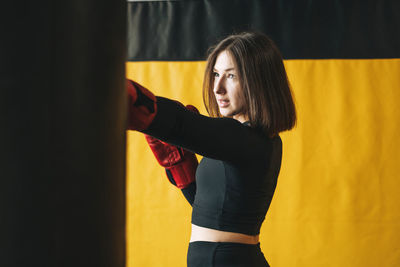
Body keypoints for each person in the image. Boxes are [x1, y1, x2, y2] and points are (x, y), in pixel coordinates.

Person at [126, 32, 297, 267]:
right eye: (216, 74)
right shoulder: (240, 141)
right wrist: (182, 171)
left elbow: (181, 124)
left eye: (231, 76)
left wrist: (133, 102)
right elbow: (209, 213)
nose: (217, 88)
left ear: (258, 81)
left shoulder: (250, 140)